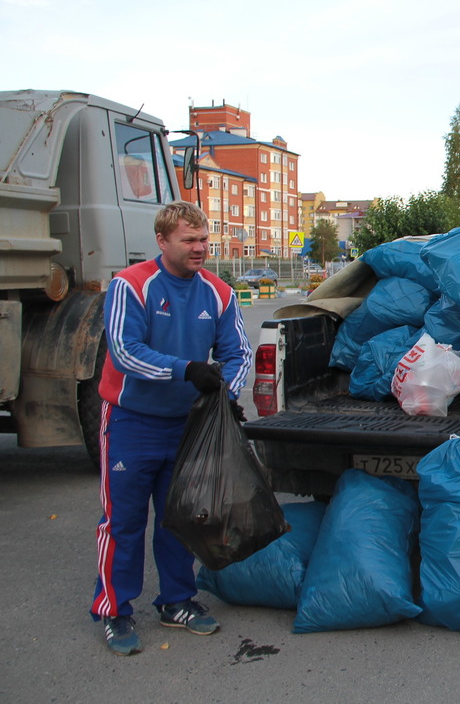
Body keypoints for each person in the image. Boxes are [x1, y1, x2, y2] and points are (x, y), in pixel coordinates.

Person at [90, 201, 253, 656]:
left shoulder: (220, 292)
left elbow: (237, 355)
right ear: (162, 241)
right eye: (190, 240)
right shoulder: (132, 285)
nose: (200, 248)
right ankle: (113, 610)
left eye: (204, 240)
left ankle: (177, 601)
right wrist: (186, 370)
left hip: (187, 427)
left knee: (180, 519)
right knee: (122, 521)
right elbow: (125, 351)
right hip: (130, 421)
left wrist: (227, 393)